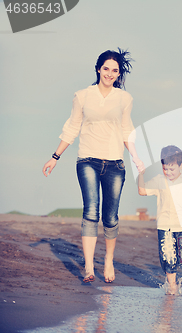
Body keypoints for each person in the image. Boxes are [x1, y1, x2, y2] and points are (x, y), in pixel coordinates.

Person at [42, 48, 145, 284]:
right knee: (91, 211)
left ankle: (108, 260)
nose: (110, 73)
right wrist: (55, 157)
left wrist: (136, 157)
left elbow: (127, 130)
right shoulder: (82, 96)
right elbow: (72, 127)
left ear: (119, 75)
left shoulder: (124, 99)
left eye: (115, 71)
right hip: (87, 160)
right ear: (98, 68)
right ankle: (89, 267)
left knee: (110, 217)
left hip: (115, 163)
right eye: (106, 68)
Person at [138, 145, 182, 295]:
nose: (168, 172)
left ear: (181, 166)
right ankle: (172, 285)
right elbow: (142, 191)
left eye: (172, 169)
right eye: (165, 169)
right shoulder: (159, 180)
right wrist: (141, 175)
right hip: (166, 226)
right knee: (168, 258)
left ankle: (177, 274)